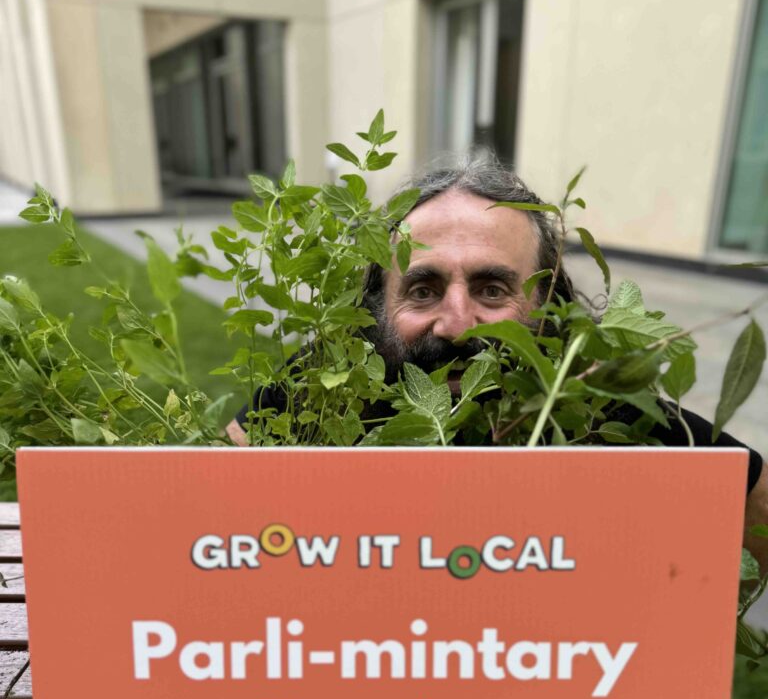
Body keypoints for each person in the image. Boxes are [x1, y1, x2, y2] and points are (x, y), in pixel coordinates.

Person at [226, 155, 768, 579]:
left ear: (548, 300)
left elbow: (746, 496)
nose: (458, 325)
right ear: (376, 305)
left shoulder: (587, 405)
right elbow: (216, 506)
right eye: (422, 289)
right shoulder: (326, 388)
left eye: (492, 288)